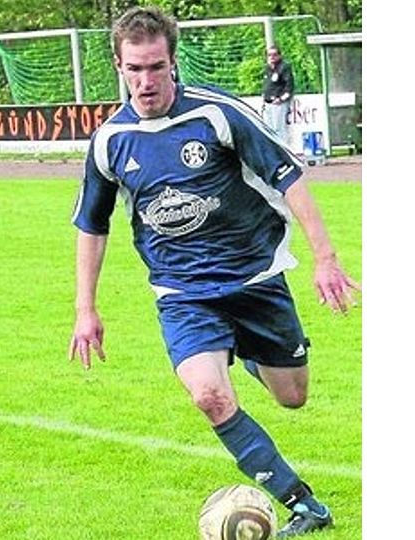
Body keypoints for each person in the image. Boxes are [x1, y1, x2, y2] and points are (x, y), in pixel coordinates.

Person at [68, 7, 358, 538]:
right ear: (118, 65)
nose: (146, 80)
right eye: (134, 68)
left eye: (156, 67)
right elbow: (92, 224)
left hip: (255, 279)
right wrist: (86, 310)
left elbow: (289, 177)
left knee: (293, 396)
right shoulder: (111, 140)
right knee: (209, 395)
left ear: (173, 61)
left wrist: (325, 257)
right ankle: (303, 504)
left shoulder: (217, 115)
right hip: (182, 293)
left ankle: (245, 352)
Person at [262, 45, 295, 146]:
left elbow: (289, 87)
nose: (272, 57)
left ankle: (284, 151)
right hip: (268, 104)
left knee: (279, 128)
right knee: (269, 129)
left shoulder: (284, 67)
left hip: (278, 103)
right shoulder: (267, 68)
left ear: (279, 56)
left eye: (274, 55)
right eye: (269, 55)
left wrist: (281, 99)